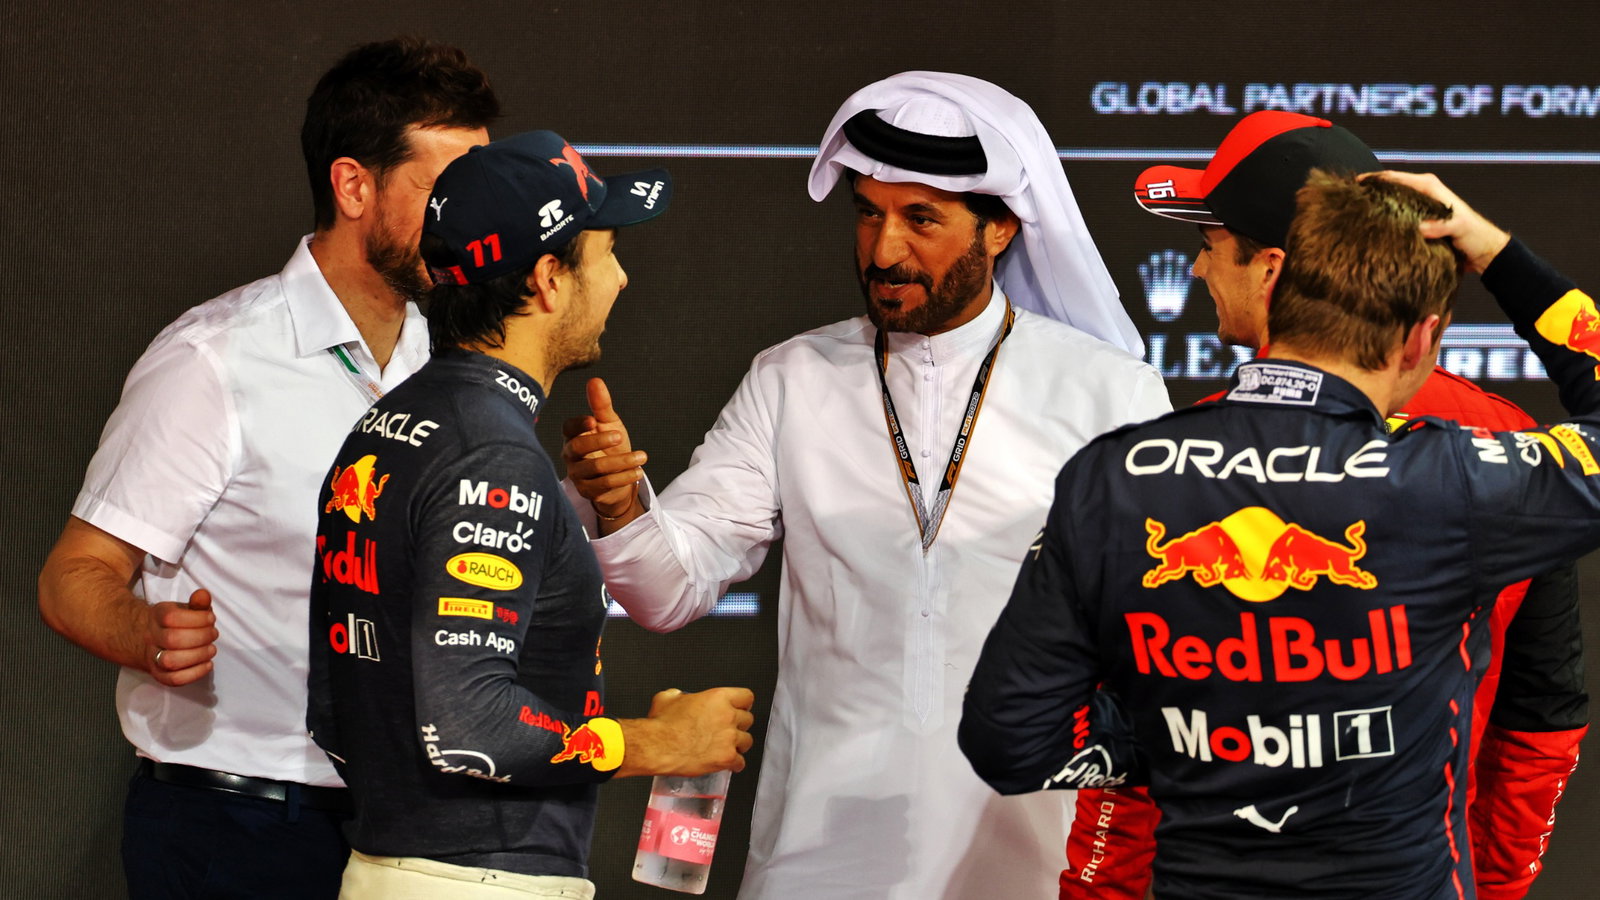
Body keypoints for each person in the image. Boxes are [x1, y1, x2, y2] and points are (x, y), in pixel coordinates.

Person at [561, 72, 1171, 898]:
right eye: (868, 214)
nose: (884, 251)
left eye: (921, 219)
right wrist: (623, 507)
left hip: (1035, 860)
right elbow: (670, 591)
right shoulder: (791, 379)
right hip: (817, 857)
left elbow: (1158, 652)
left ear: (1000, 228)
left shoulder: (1109, 392)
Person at [960, 170, 1600, 899]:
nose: (1199, 266)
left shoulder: (1114, 477)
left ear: (1273, 288)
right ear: (1423, 338)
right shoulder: (1455, 479)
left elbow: (1006, 739)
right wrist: (1495, 254)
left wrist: (1182, 734)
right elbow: (1542, 719)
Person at [36, 38, 498, 897]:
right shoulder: (213, 359)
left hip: (407, 827)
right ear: (354, 186)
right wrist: (142, 631)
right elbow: (74, 573)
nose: (469, 218)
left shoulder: (452, 363)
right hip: (233, 828)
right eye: (444, 190)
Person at [305, 129, 754, 899]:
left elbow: (334, 712)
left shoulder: (392, 424)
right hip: (478, 881)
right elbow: (471, 727)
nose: (621, 279)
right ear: (549, 279)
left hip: (396, 862)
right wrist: (656, 743)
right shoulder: (491, 454)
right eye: (607, 253)